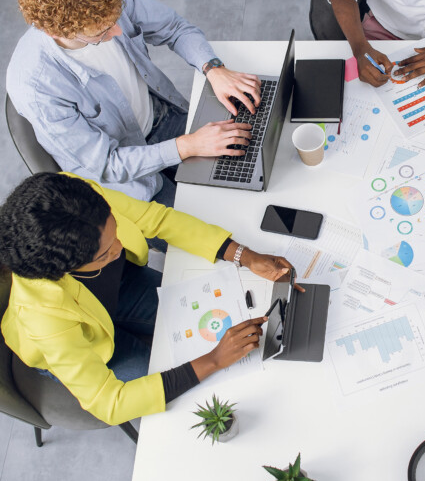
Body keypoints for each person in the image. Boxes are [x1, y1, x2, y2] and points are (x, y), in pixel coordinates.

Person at [0, 172, 297, 425]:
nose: (119, 246)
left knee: (208, 318)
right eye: (105, 253)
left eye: (115, 232)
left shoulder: (77, 201)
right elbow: (108, 403)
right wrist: (213, 360)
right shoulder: (41, 316)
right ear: (64, 269)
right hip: (89, 344)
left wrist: (244, 255)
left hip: (121, 287)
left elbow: (155, 219)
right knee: (187, 395)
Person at [7, 0, 262, 206]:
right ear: (58, 33)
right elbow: (107, 165)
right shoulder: (36, 88)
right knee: (213, 229)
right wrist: (187, 146)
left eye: (116, 18)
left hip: (161, 118)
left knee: (248, 170)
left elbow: (173, 28)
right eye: (103, 32)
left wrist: (213, 68)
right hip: (124, 182)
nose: (118, 30)